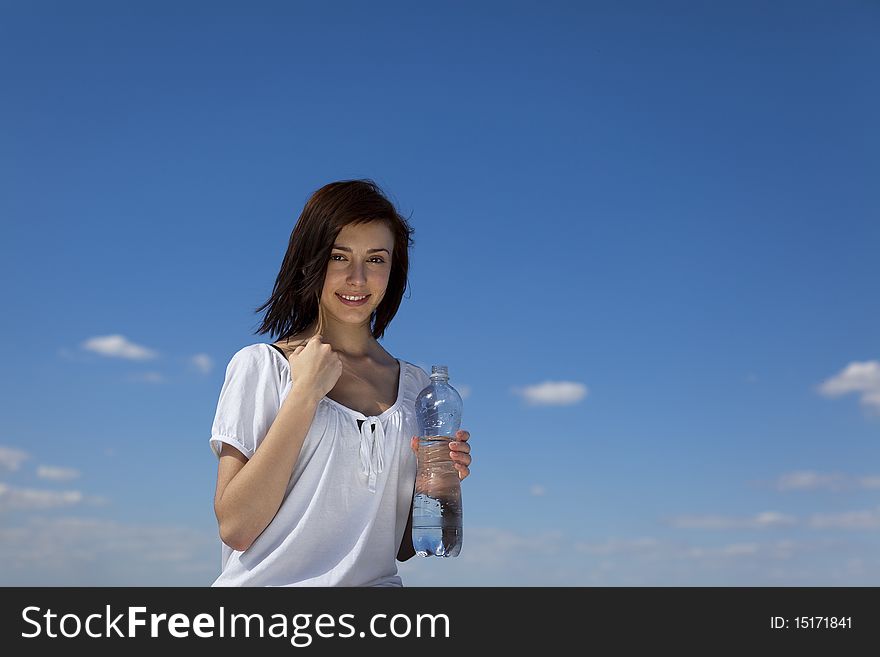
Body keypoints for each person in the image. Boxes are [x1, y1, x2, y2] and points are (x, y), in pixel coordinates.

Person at [208, 179, 473, 586]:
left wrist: (439, 480)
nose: (357, 278)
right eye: (339, 256)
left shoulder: (416, 387)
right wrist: (305, 395)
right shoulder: (261, 367)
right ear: (308, 261)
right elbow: (237, 528)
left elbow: (396, 545)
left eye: (376, 259)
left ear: (393, 271)